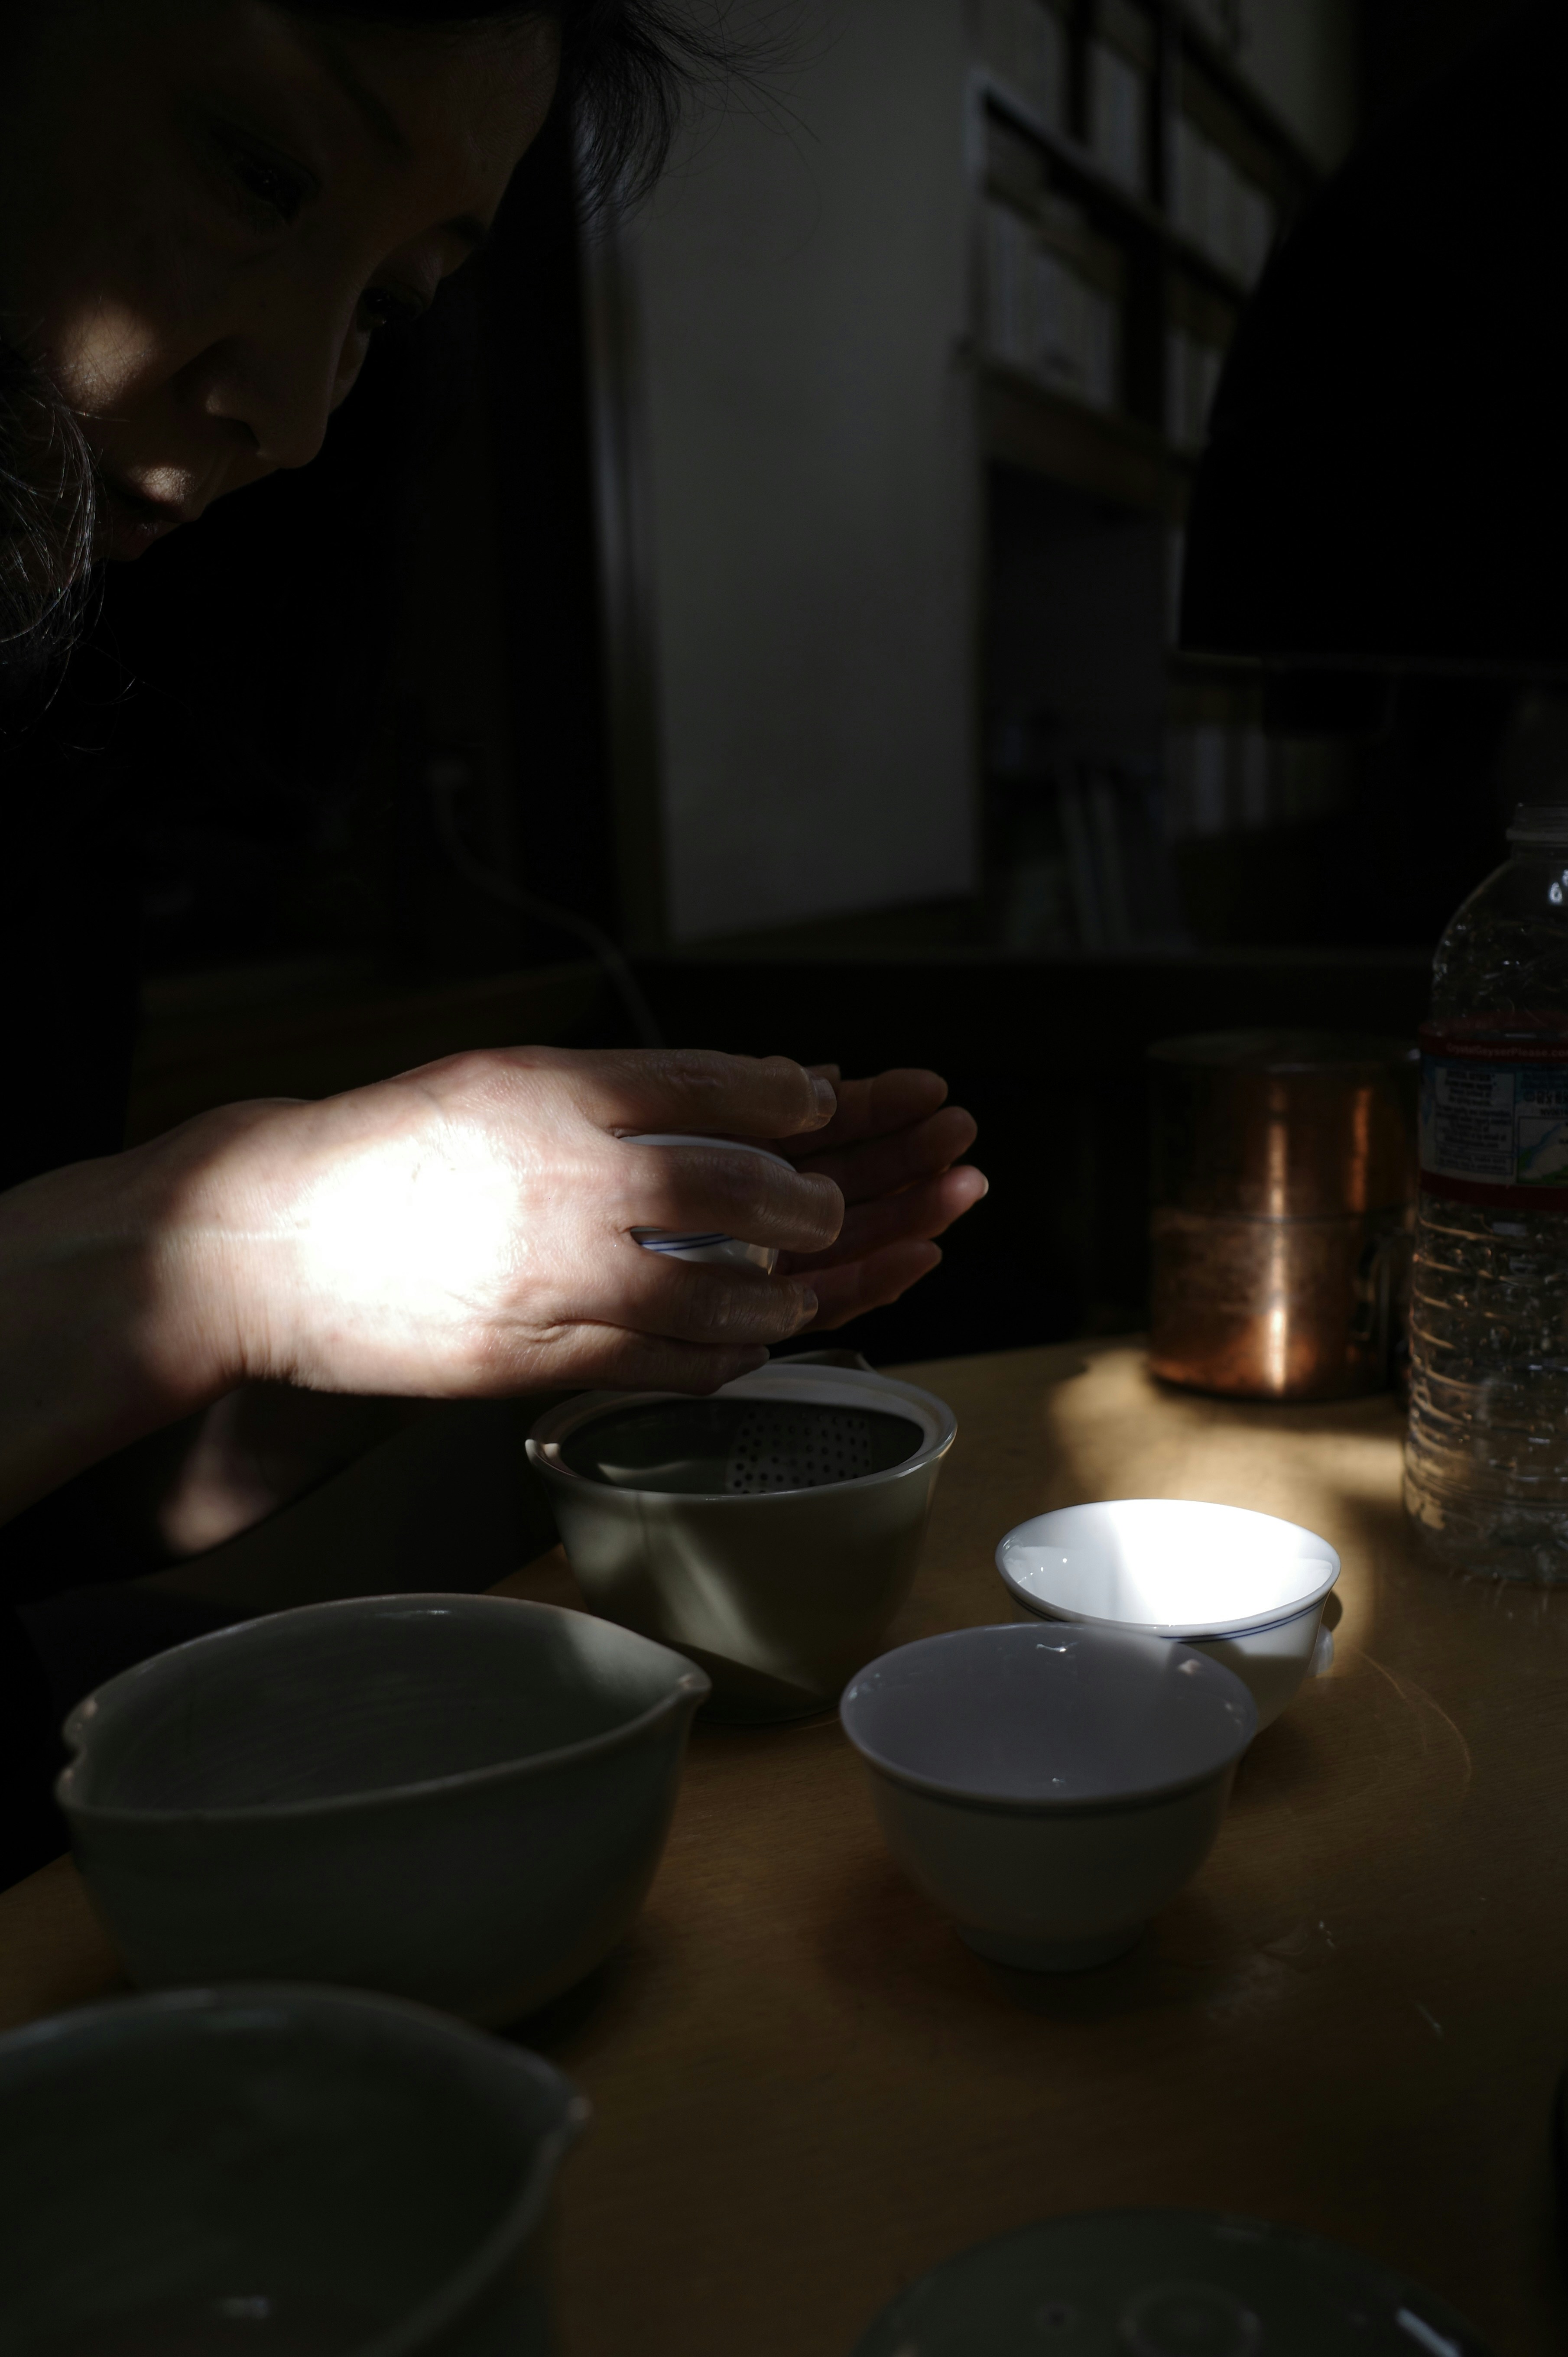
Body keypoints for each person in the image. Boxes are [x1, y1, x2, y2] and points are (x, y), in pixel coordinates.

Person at [0, 1, 986, 1884]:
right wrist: (220, 1238)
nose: (290, 410)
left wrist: (429, 1310)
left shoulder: (50, 748)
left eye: (389, 305)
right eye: (258, 165)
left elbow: (45, 1511)